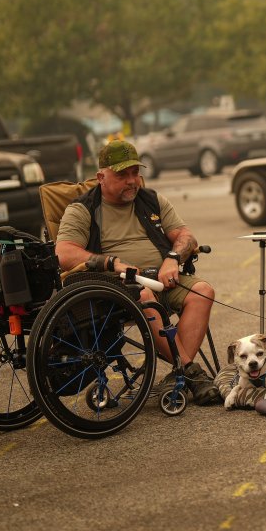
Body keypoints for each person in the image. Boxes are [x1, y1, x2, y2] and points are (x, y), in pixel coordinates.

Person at [55, 140, 220, 404]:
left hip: (163, 279)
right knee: (143, 294)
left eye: (135, 172)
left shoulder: (152, 200)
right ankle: (191, 371)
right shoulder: (83, 209)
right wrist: (112, 262)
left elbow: (186, 236)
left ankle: (179, 372)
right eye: (122, 174)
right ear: (101, 177)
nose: (132, 181)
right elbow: (63, 252)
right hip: (116, 288)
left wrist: (173, 259)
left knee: (203, 291)